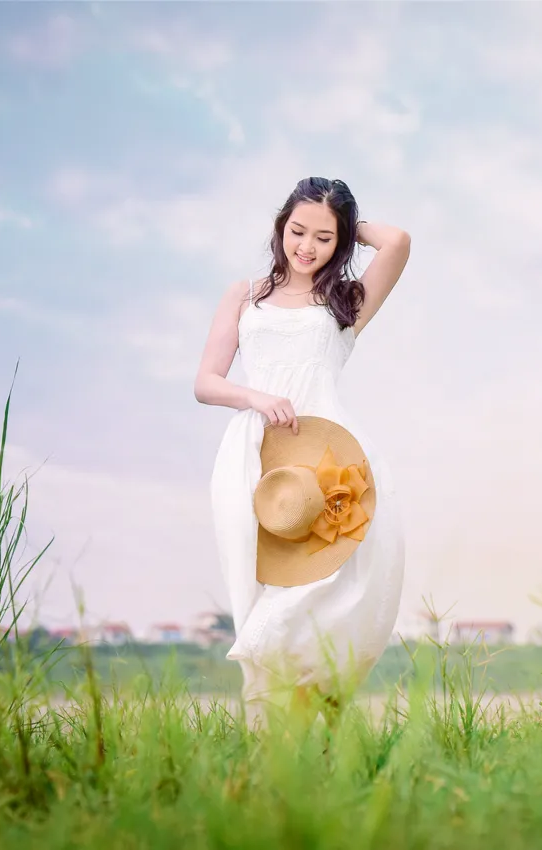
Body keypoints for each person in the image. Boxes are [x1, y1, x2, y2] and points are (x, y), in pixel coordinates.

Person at [193, 177, 411, 728]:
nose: (306, 246)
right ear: (279, 227)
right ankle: (276, 729)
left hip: (328, 454)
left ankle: (317, 703)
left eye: (323, 237)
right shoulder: (245, 295)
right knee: (262, 580)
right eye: (296, 230)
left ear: (341, 243)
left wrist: (347, 217)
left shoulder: (345, 302)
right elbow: (206, 382)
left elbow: (398, 242)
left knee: (324, 583)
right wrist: (257, 397)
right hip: (256, 454)